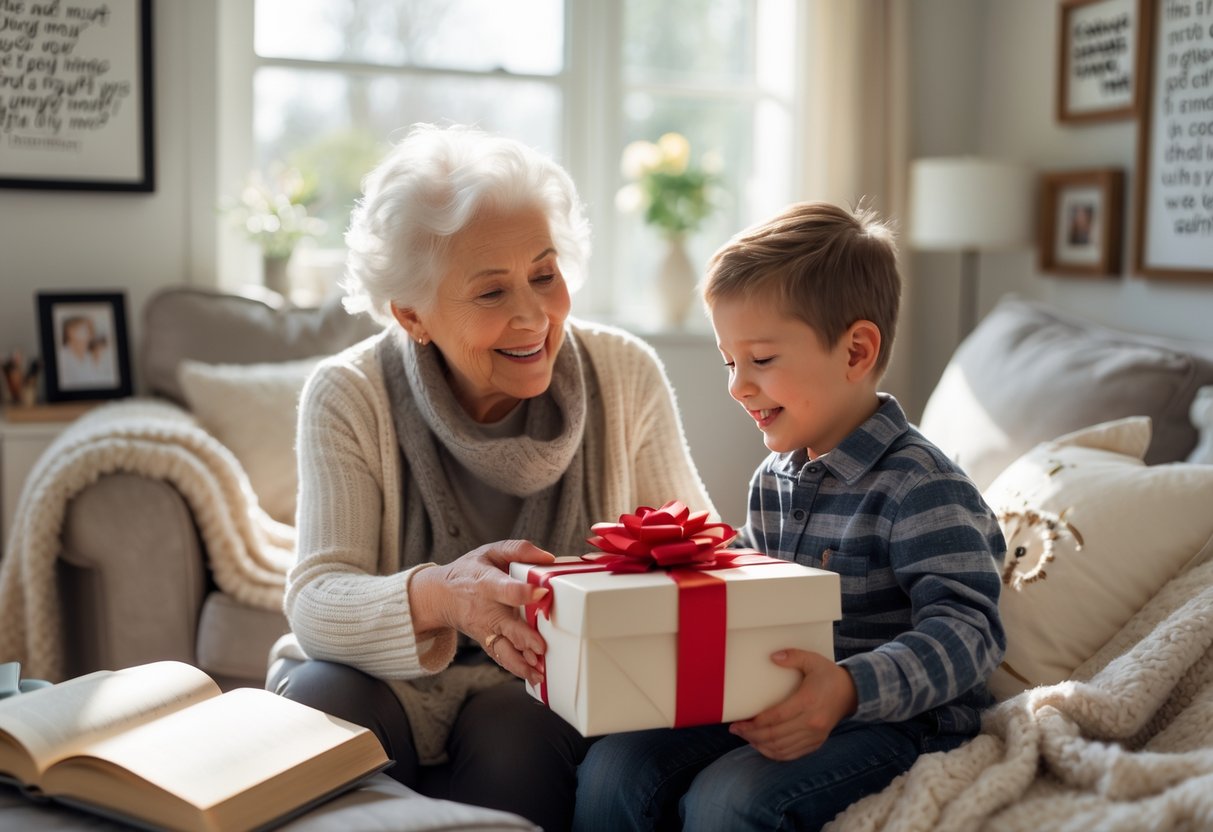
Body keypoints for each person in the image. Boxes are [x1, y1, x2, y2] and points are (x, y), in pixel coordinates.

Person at [266, 123, 714, 831]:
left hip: (540, 688)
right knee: (323, 701)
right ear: (411, 314)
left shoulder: (624, 374)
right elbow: (317, 599)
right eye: (490, 292)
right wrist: (445, 597)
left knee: (520, 727)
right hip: (383, 679)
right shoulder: (348, 393)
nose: (532, 315)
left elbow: (700, 559)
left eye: (543, 273)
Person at [573, 201, 1007, 831]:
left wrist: (850, 688)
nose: (736, 386)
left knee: (729, 799)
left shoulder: (922, 485)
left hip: (897, 721)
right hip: (775, 698)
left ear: (856, 351)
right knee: (616, 765)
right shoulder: (770, 480)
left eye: (762, 360)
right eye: (730, 362)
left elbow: (972, 630)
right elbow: (749, 582)